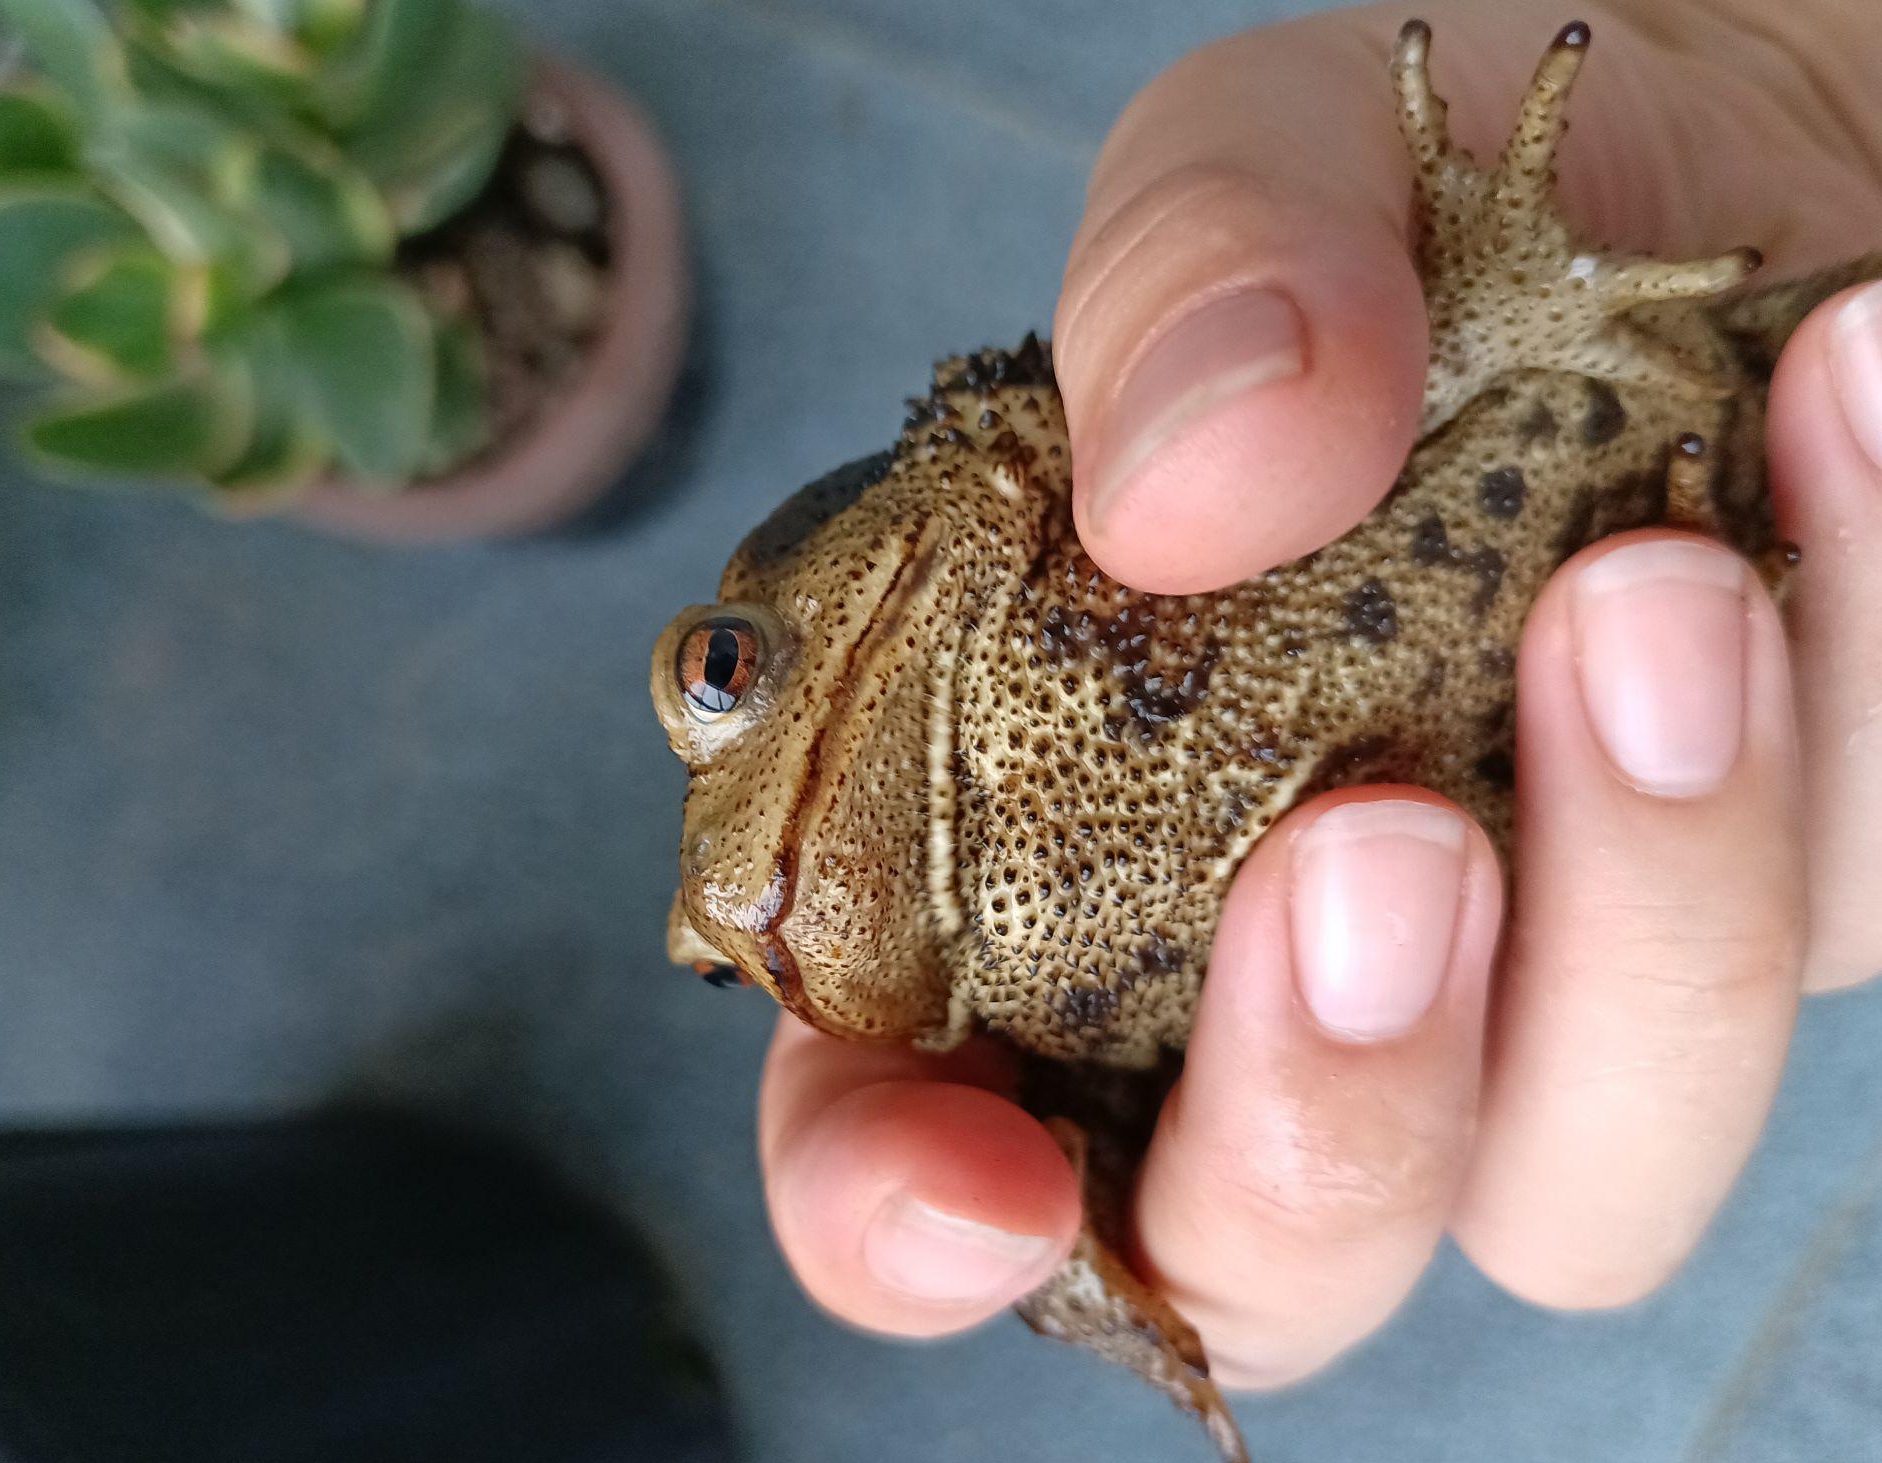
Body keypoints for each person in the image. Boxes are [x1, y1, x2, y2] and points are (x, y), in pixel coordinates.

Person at [754, 0, 1882, 1392]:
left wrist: (1770, 70)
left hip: (1666, 355)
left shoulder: (1041, 522)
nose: (713, 915)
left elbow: (1384, 383)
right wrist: (1103, 1260)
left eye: (721, 677)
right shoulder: (1031, 1011)